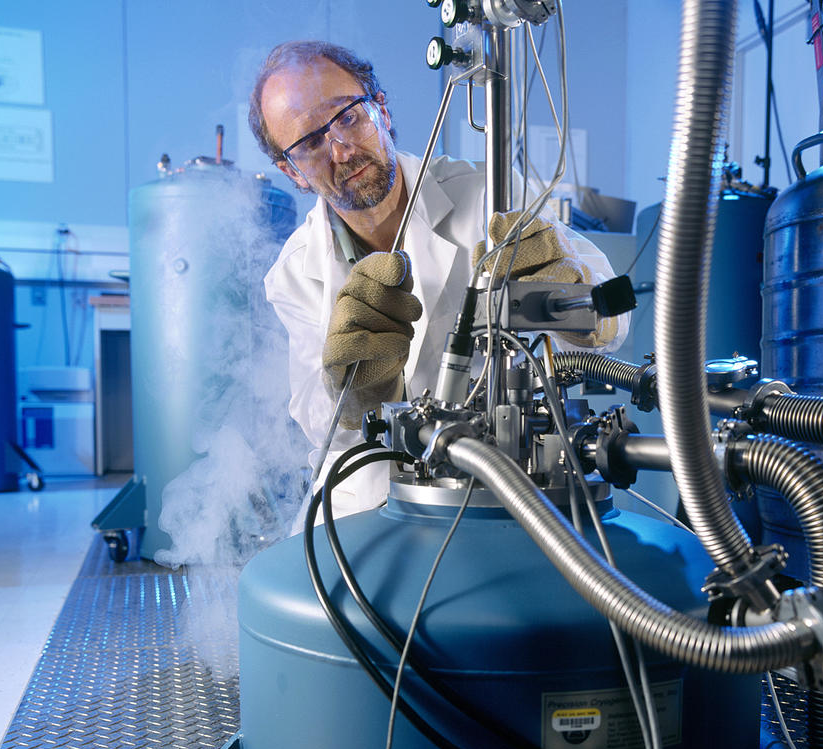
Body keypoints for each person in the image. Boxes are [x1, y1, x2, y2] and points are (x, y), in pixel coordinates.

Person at [249, 40, 628, 520]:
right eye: (309, 143)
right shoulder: (293, 272)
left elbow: (612, 312)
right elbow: (317, 418)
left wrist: (575, 301)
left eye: (347, 116)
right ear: (292, 172)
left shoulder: (491, 194)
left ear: (381, 110)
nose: (341, 150)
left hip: (499, 482)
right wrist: (358, 395)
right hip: (367, 501)